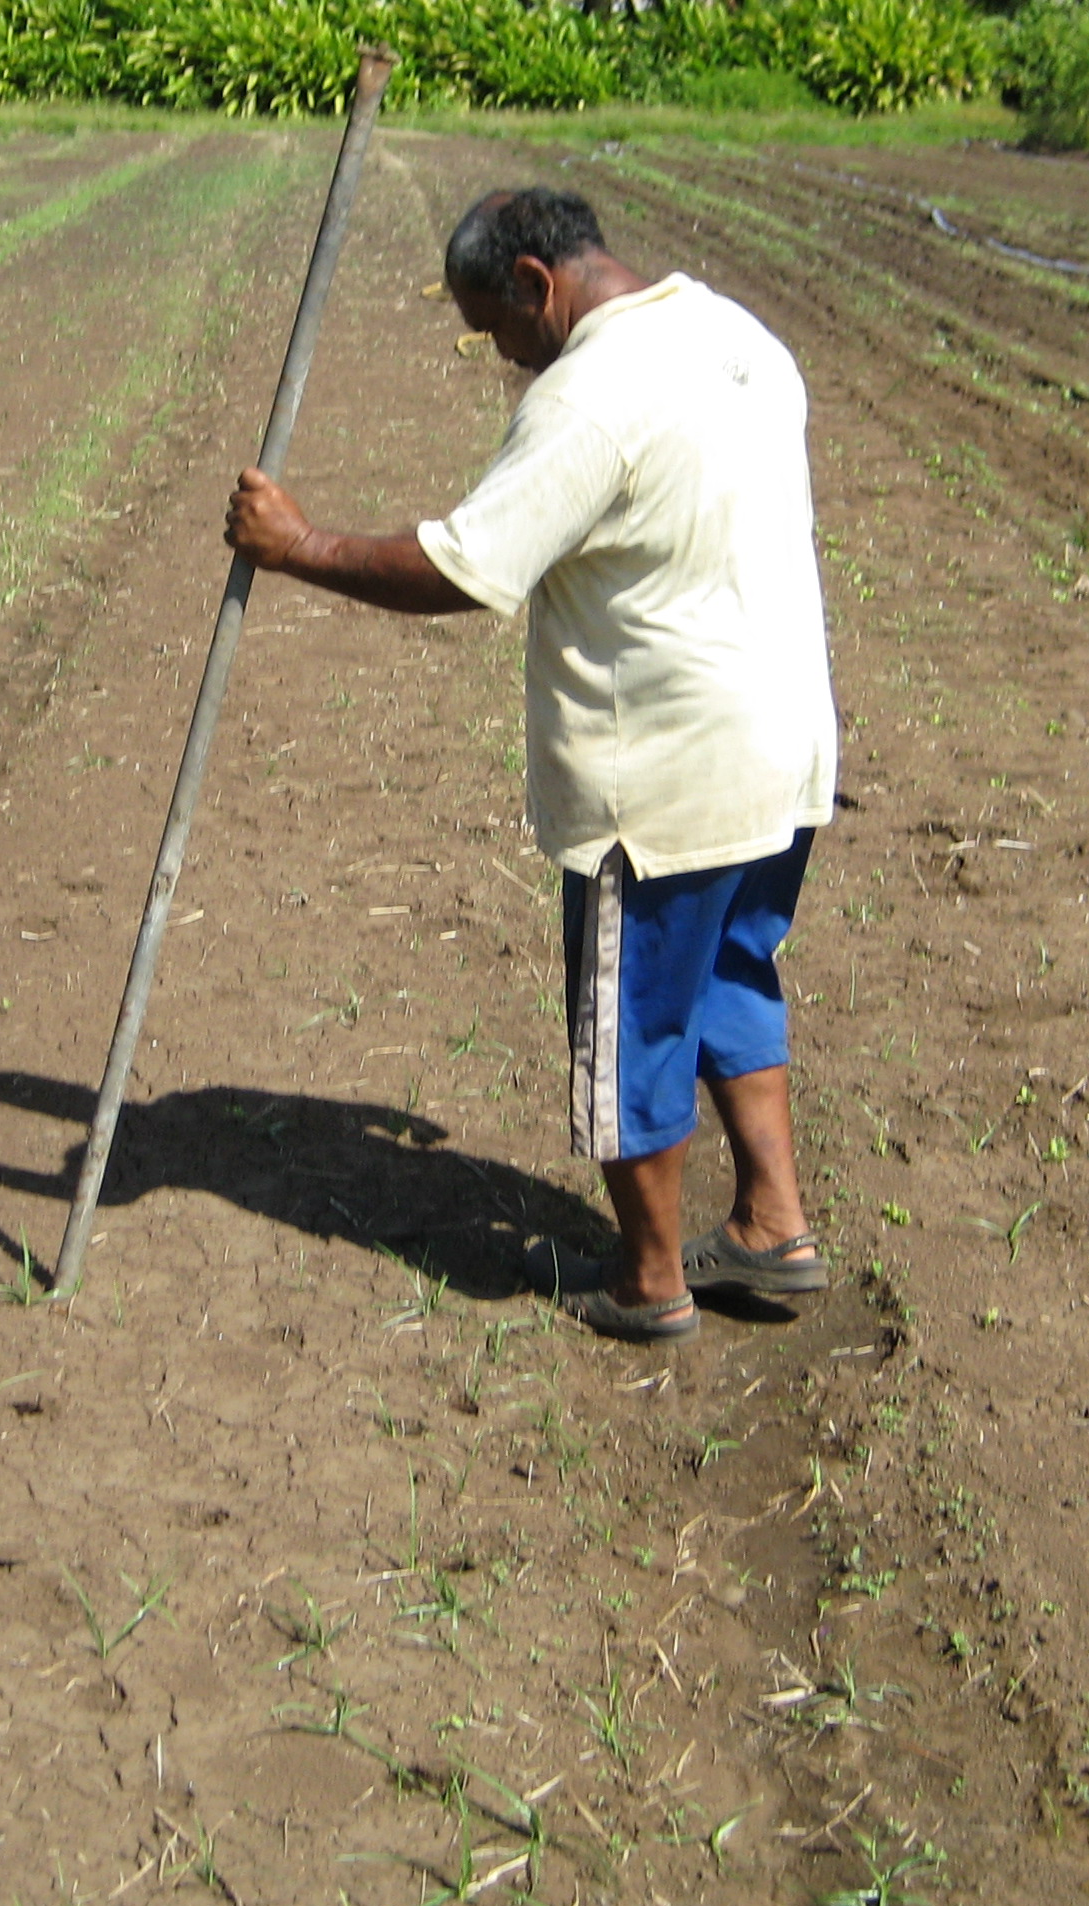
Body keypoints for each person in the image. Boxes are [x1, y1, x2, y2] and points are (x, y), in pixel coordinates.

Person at [222, 186, 839, 1342]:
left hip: (663, 780)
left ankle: (650, 1278)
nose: (498, 355)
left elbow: (467, 569)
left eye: (492, 327)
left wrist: (296, 545)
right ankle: (772, 1225)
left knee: (634, 1026)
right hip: (784, 743)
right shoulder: (734, 334)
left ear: (533, 286)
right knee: (731, 980)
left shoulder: (591, 398)